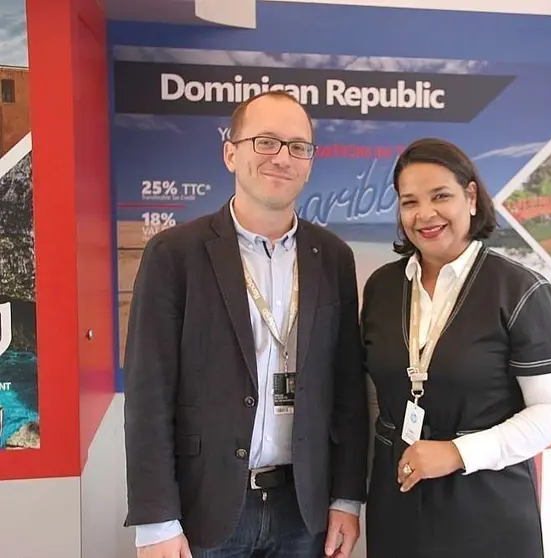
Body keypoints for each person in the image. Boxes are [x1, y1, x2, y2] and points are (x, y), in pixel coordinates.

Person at [123, 90, 369, 558]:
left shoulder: (334, 256)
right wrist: (155, 520)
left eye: (299, 146)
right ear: (231, 153)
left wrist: (346, 498)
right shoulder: (175, 254)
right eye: (266, 142)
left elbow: (347, 393)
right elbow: (148, 392)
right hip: (205, 509)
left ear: (310, 161)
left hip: (305, 510)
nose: (283, 157)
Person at [360, 138, 551, 557]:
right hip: (397, 502)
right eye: (410, 202)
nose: (424, 214)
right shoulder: (382, 288)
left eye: (440, 196)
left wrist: (459, 453)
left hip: (486, 503)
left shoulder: (519, 290)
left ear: (471, 197)